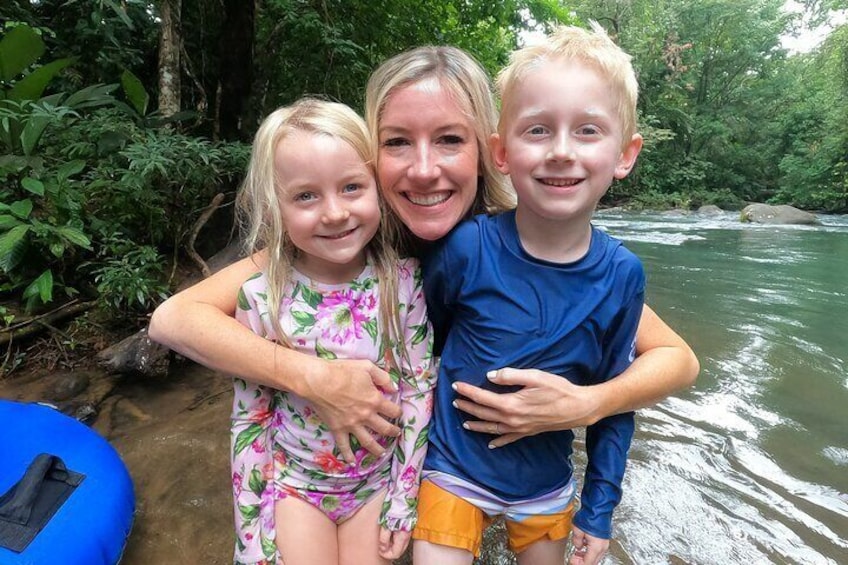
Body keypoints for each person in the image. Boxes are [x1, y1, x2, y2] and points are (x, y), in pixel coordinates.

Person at [149, 39, 698, 565]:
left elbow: (677, 361)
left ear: (491, 150)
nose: (424, 169)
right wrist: (311, 377)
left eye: (450, 140)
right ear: (369, 154)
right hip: (371, 465)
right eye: (396, 142)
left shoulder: (525, 243)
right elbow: (175, 319)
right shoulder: (344, 234)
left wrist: (587, 404)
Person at [411, 24, 645, 565]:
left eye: (588, 131)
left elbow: (618, 398)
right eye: (537, 130)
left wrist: (598, 510)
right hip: (453, 470)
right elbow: (431, 339)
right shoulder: (467, 248)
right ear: (501, 151)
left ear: (624, 153)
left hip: (545, 484)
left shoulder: (623, 276)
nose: (561, 152)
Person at [227, 98, 435, 564]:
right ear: (273, 205)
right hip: (294, 485)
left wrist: (403, 500)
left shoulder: (403, 282)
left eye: (351, 187)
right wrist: (251, 536)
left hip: (377, 485)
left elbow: (419, 390)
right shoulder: (260, 297)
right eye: (306, 196)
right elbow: (251, 418)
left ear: (377, 189)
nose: (335, 212)